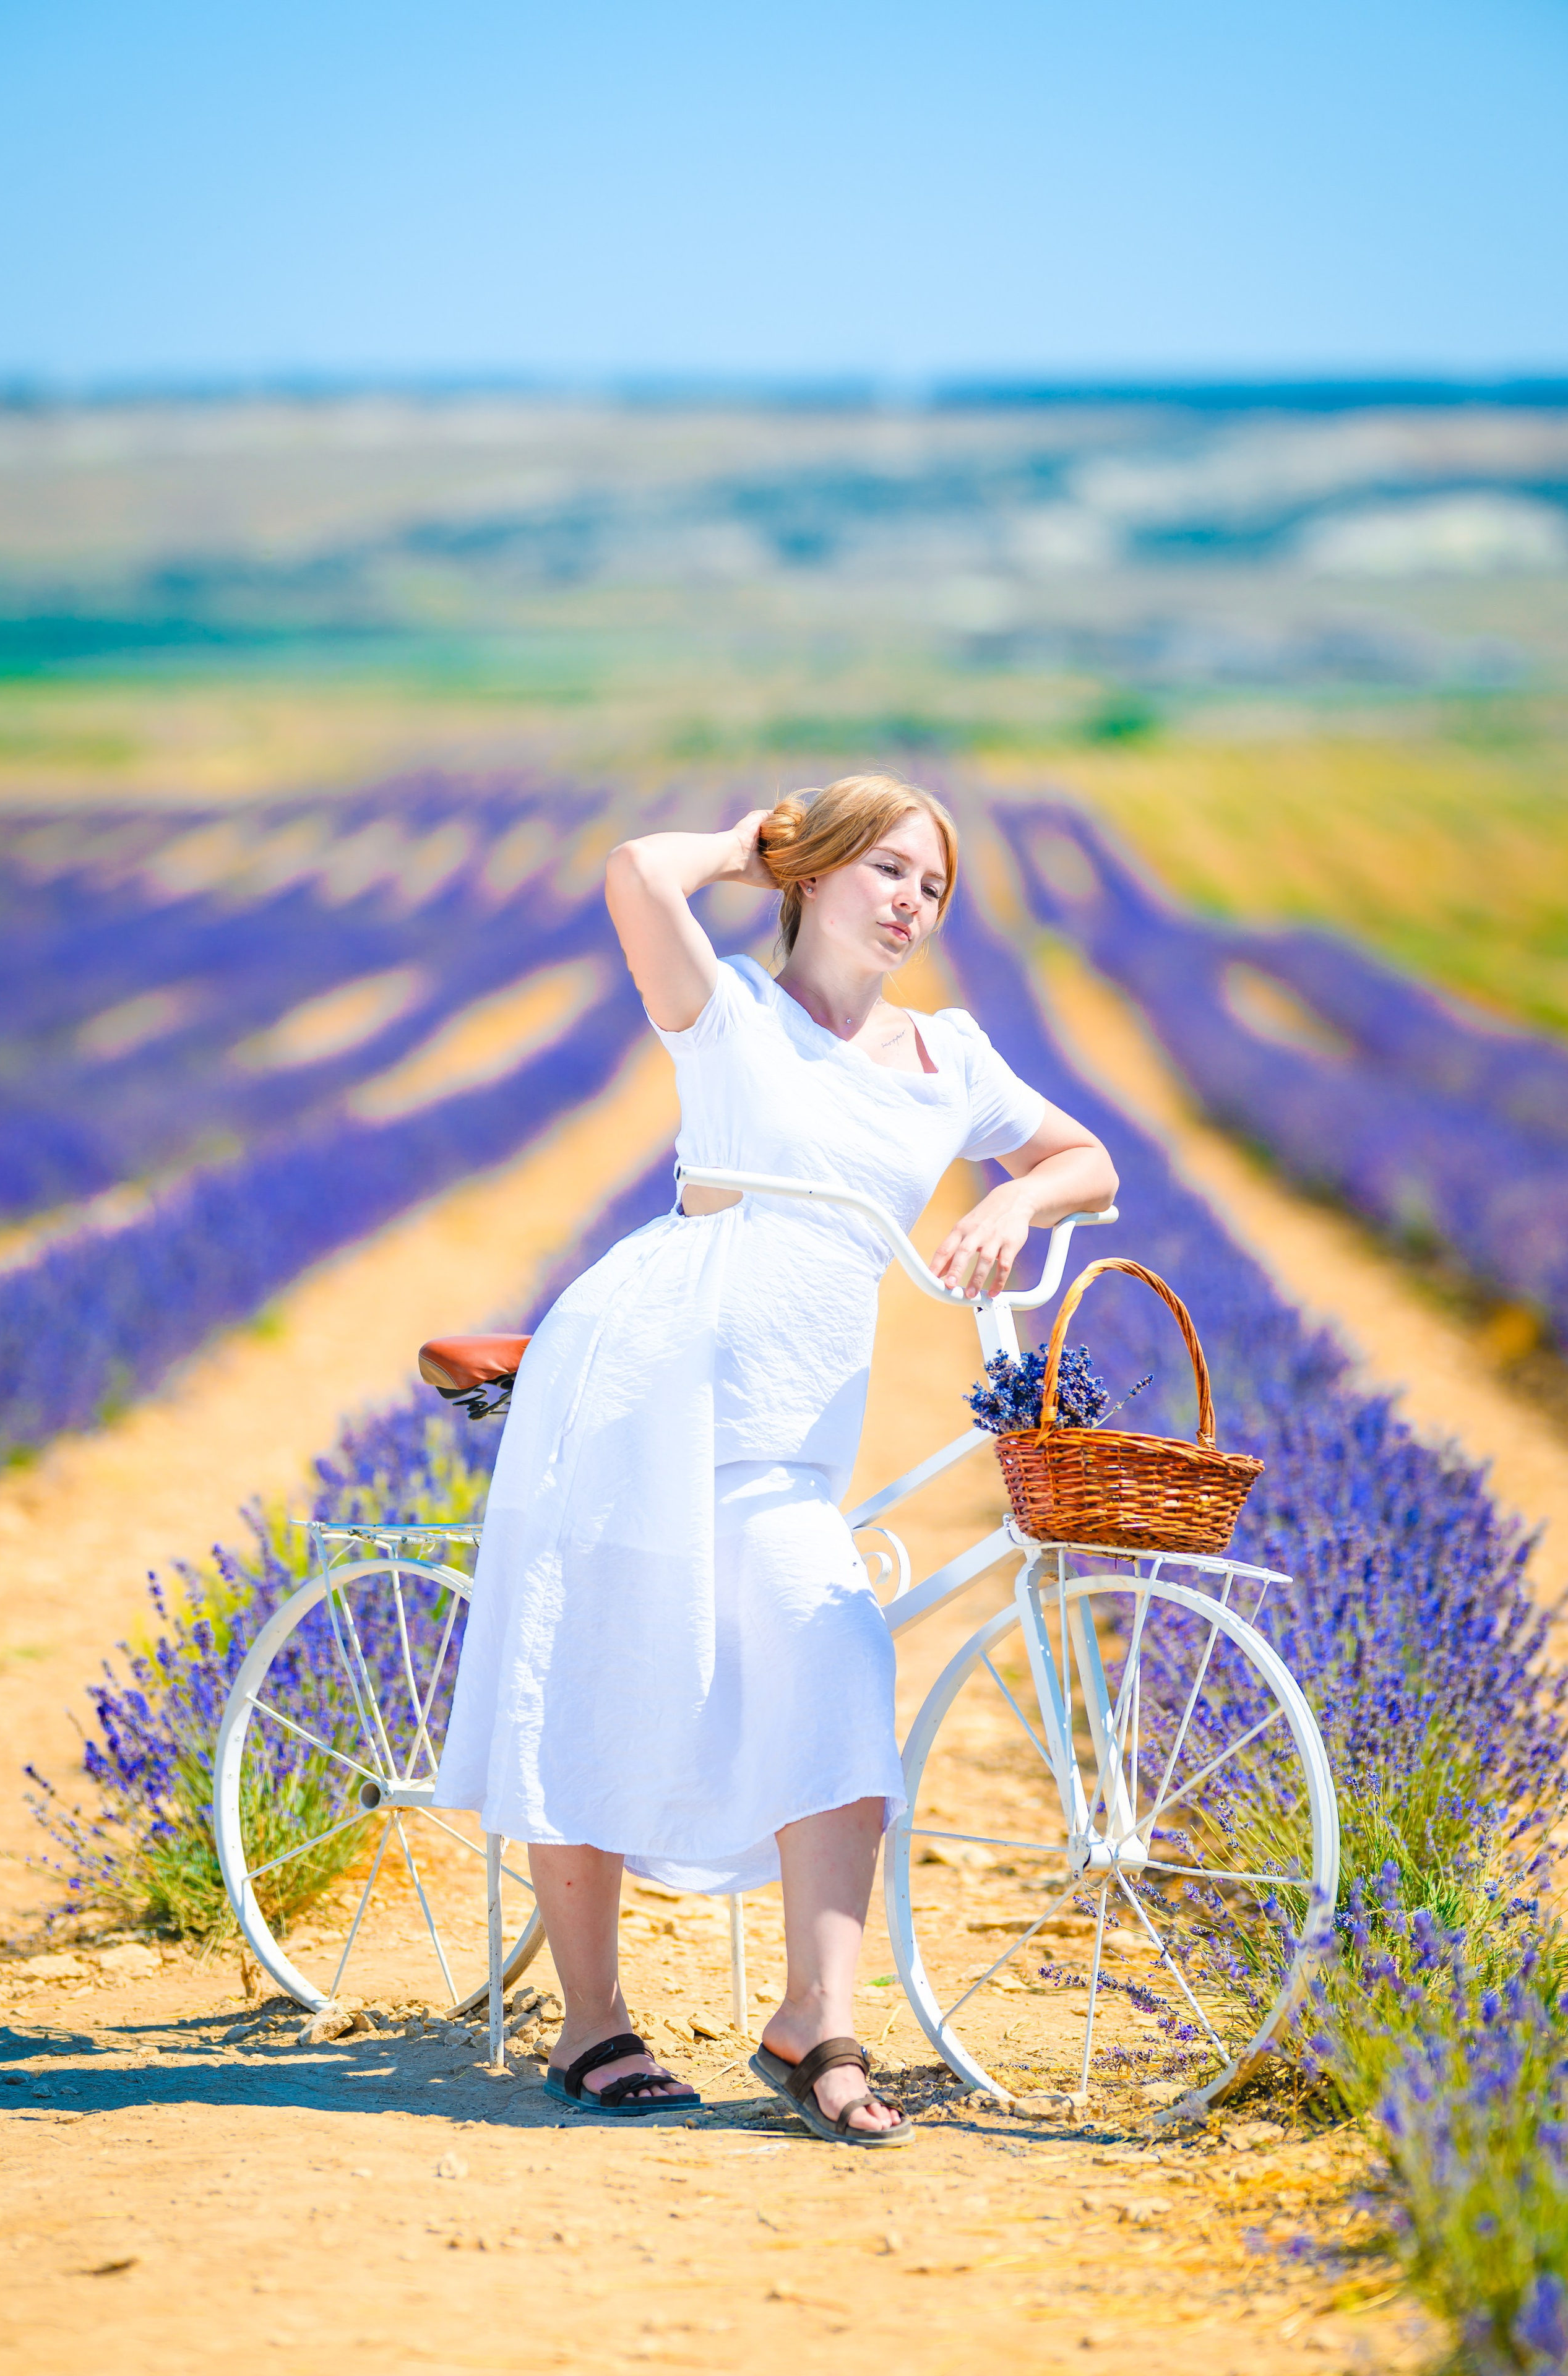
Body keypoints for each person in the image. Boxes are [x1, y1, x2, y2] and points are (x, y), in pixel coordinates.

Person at [434, 775, 1118, 2143]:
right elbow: (634, 871)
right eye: (887, 873)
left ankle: (815, 2019)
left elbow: (1086, 1158)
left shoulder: (947, 1056)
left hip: (791, 1429)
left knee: (836, 1656)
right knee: (609, 1670)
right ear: (816, 874)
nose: (912, 904)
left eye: (932, 886)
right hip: (647, 1383)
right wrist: (749, 846)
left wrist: (1016, 1190)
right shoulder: (730, 1012)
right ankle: (588, 2023)